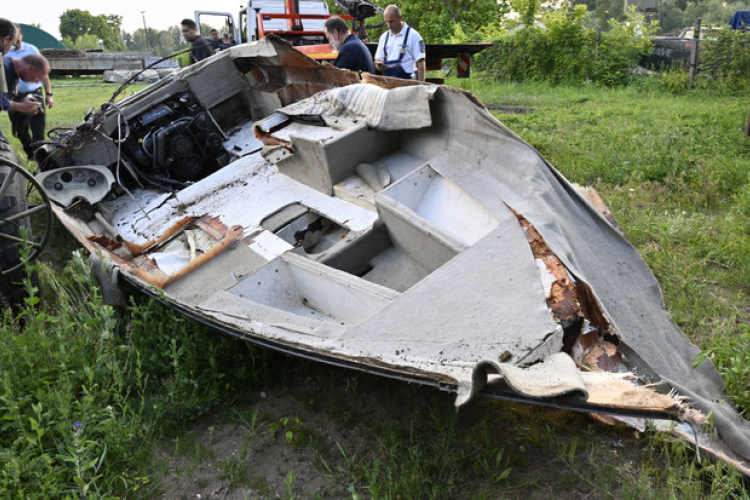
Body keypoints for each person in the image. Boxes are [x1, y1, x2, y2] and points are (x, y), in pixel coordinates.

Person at [7, 27, 54, 160]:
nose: (15, 40)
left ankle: (42, 158)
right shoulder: (5, 52)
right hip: (15, 96)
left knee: (37, 128)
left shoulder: (32, 49)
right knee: (20, 130)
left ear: (20, 35)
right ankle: (30, 153)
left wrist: (49, 94)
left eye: (16, 36)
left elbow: (44, 74)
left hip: (34, 93)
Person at [374, 5, 425, 81]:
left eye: (391, 21)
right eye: (386, 22)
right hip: (388, 83)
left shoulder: (414, 36)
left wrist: (422, 86)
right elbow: (378, 59)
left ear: (400, 18)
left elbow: (421, 62)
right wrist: (379, 65)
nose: (389, 25)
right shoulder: (383, 37)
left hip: (407, 84)